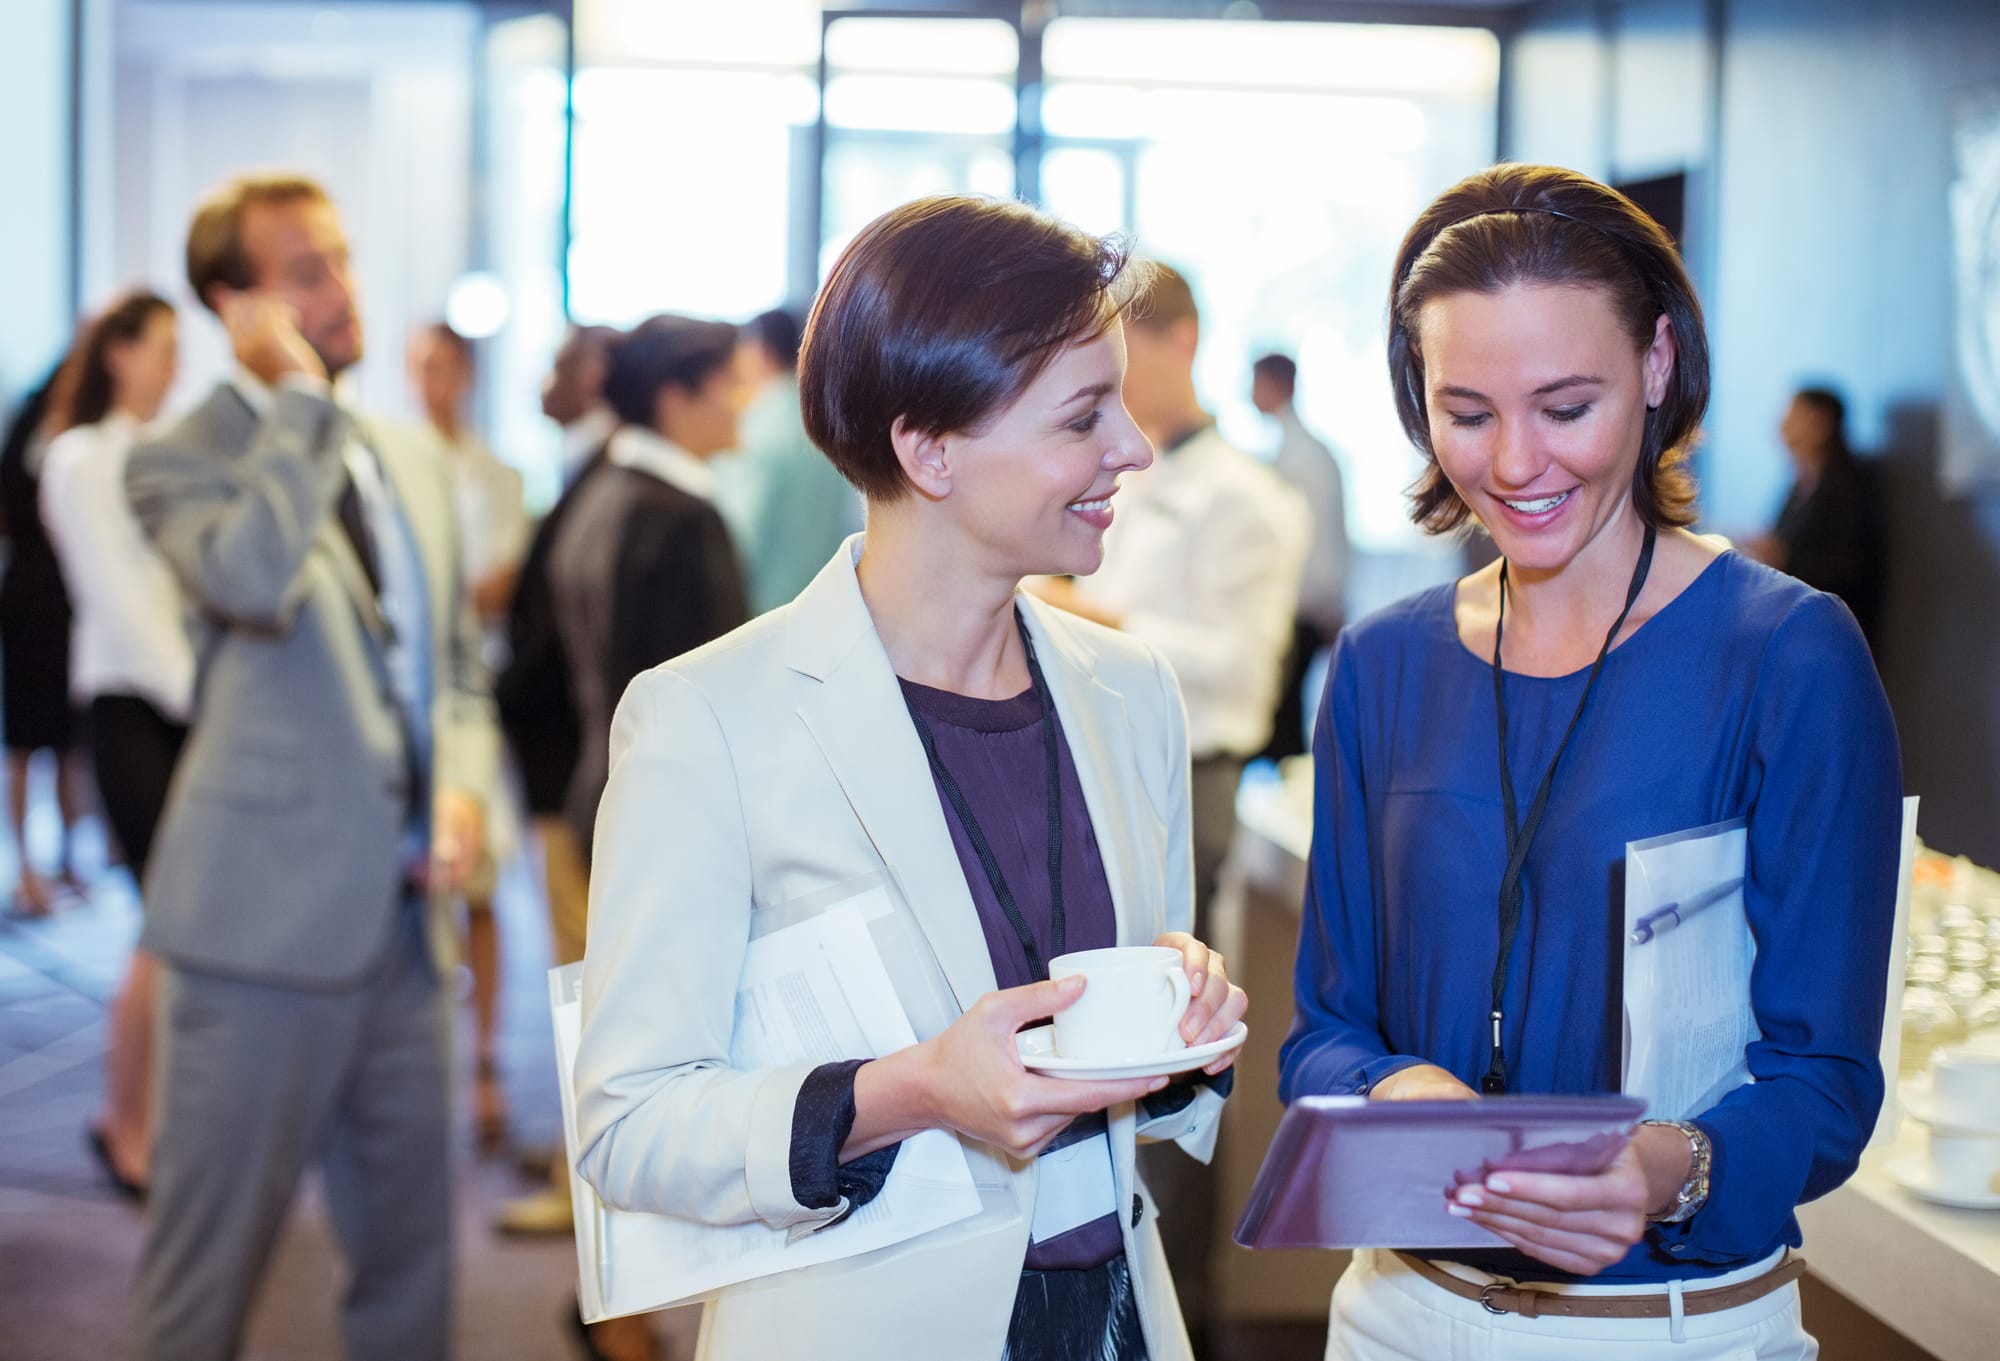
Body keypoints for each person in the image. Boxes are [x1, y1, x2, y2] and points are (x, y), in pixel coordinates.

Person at [573, 195, 1246, 1361]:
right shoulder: (709, 718)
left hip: (1119, 1317)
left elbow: (1130, 1071)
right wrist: (913, 1087)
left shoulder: (1129, 691)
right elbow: (629, 1122)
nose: (1131, 449)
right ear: (927, 449)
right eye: (1084, 416)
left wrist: (1184, 1026)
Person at [1279, 164, 1902, 1360]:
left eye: (1565, 407)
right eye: (1466, 413)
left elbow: (1824, 1080)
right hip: (1396, 1313)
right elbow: (1323, 1026)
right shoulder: (1381, 666)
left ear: (1656, 367)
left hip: (1669, 1328)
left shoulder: (1786, 656)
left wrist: (1670, 1164)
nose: (1513, 463)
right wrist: (1391, 1094)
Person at [125, 172, 495, 1361]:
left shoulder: (411, 456)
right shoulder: (178, 457)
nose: (342, 290)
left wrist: (463, 786)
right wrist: (295, 401)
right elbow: (247, 577)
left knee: (411, 1273)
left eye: (341, 259)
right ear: (236, 307)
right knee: (203, 1280)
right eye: (304, 273)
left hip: (407, 929)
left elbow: (458, 673)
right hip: (255, 937)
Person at [1031, 265, 1306, 1345]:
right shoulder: (1117, 474)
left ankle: (1171, 1316)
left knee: (1167, 1069)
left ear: (1177, 339)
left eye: (1116, 358)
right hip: (1085, 771)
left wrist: (1089, 610)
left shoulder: (1250, 498)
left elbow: (1238, 677)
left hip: (1192, 781)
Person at [38, 289, 189, 1201]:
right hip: (134, 704)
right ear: (118, 354)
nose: (174, 367)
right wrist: (204, 697)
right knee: (165, 926)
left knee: (173, 928)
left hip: (166, 700)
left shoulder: (141, 452)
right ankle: (125, 1124)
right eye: (163, 348)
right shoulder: (84, 455)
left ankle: (145, 1118)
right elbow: (124, 603)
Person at [546, 313, 751, 853]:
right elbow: (699, 699)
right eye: (729, 384)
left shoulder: (606, 489)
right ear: (675, 399)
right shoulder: (679, 521)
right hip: (663, 822)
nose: (744, 402)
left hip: (604, 798)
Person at [408, 318, 530, 1150]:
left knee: (481, 877)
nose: (435, 381)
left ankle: (483, 1058)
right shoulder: (386, 461)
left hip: (477, 687)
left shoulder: (498, 474)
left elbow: (496, 587)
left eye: (448, 366)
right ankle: (414, 1062)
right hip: (407, 689)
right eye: (423, 367)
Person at [0, 365, 91, 915]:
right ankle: (26, 866)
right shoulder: (30, 422)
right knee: (25, 739)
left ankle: (67, 860)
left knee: (67, 739)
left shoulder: (86, 427)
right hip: (28, 598)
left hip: (71, 597)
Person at [712, 305, 861, 614]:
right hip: (823, 603)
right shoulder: (827, 420)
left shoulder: (750, 427)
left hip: (759, 611)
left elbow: (740, 536)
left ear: (760, 351)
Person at [1251, 352, 1349, 761]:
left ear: (1276, 386)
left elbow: (1312, 543)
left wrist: (1325, 603)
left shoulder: (1303, 458)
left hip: (1301, 607)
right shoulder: (1301, 451)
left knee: (1283, 723)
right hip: (1305, 603)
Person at [1744, 386, 1885, 650]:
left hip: (1834, 630)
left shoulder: (1849, 486)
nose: (1782, 426)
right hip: (1797, 623)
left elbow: (1849, 566)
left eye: (1792, 416)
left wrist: (1782, 556)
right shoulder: (1799, 482)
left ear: (1820, 423)